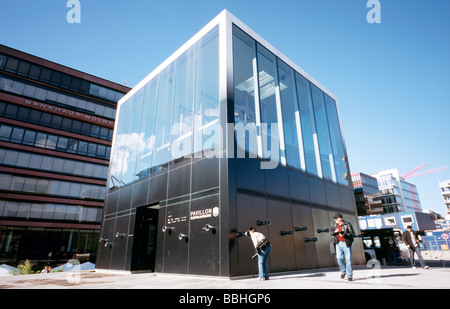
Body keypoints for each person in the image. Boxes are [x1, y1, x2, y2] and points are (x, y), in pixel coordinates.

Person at [331, 213, 355, 281]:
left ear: (339, 219)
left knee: (348, 260)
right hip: (338, 244)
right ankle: (343, 271)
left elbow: (352, 233)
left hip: (346, 243)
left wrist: (344, 235)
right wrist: (335, 232)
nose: (334, 220)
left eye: (336, 219)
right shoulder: (334, 225)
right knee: (339, 258)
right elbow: (332, 233)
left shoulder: (347, 224)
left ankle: (349, 276)